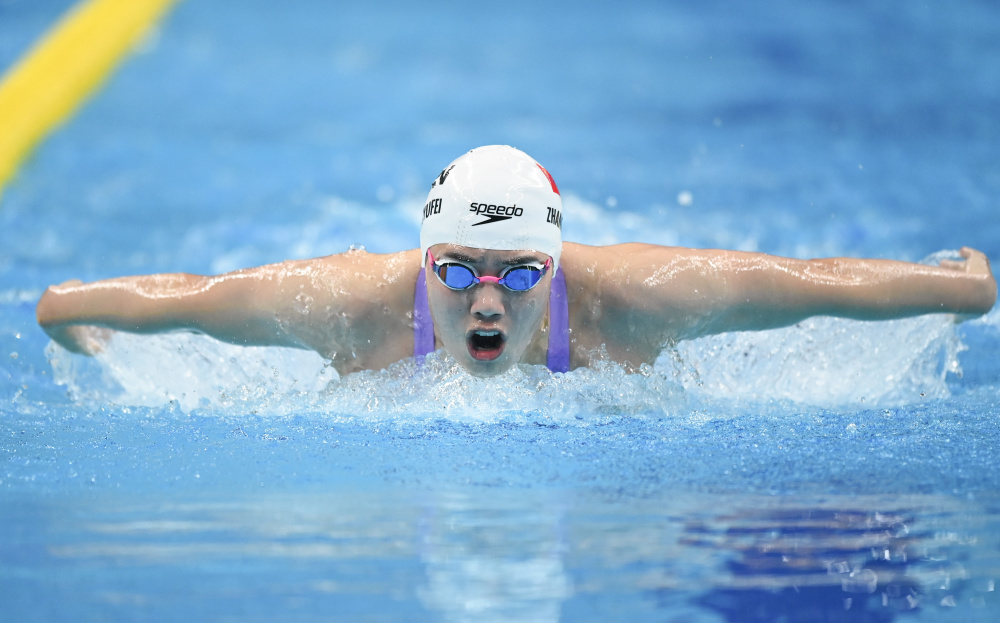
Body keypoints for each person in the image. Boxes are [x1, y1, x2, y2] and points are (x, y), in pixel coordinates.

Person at [36, 145, 997, 378]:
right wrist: (76, 308)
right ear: (424, 264)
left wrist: (959, 290)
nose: (485, 297)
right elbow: (203, 298)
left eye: (518, 272)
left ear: (555, 263)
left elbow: (804, 285)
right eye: (456, 271)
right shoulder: (350, 303)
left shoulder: (635, 296)